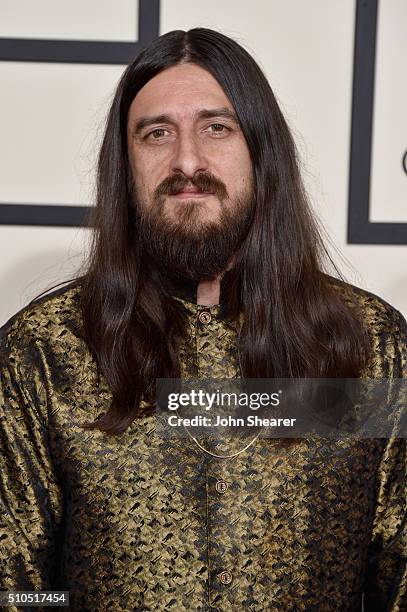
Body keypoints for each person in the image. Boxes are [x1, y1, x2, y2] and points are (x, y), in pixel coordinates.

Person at [0, 28, 405, 612]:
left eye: (217, 128)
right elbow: (19, 590)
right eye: (156, 134)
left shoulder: (369, 347)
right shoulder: (44, 351)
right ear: (125, 165)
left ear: (260, 150)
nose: (187, 160)